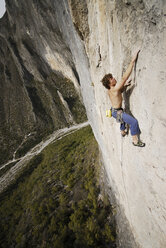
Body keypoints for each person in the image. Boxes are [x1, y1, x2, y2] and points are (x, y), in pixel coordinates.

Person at [101, 50, 145, 147]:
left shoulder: (111, 90)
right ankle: (135, 141)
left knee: (122, 118)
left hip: (114, 111)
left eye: (112, 77)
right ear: (109, 84)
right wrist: (132, 61)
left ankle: (122, 131)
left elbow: (118, 93)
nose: (114, 78)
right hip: (117, 112)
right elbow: (124, 77)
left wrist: (125, 86)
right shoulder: (115, 88)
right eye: (111, 79)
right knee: (134, 122)